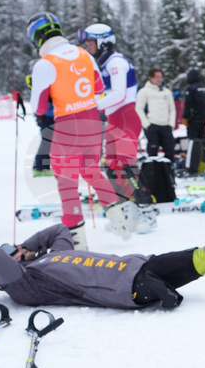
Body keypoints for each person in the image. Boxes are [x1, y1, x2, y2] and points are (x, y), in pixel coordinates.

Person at [0, 223, 205, 308]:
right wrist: (9, 260)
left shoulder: (49, 255)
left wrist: (27, 247)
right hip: (129, 289)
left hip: (141, 264)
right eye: (9, 252)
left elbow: (59, 230)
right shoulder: (27, 287)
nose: (14, 249)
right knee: (175, 289)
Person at [26, 13, 134, 249]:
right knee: (92, 172)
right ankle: (121, 224)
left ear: (37, 38)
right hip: (92, 121)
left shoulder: (45, 64)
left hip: (66, 125)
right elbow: (99, 88)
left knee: (67, 183)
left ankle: (78, 244)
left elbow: (39, 108)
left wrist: (40, 88)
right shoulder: (84, 54)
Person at [80, 23, 156, 232]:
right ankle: (126, 213)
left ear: (103, 42)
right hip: (113, 120)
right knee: (112, 166)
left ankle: (147, 212)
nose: (88, 46)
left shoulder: (116, 63)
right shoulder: (102, 64)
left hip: (126, 118)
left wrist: (92, 106)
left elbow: (119, 94)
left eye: (91, 42)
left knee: (127, 166)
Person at [136, 68, 177, 162]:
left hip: (166, 125)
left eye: (161, 77)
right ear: (150, 77)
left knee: (170, 150)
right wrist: (146, 124)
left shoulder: (167, 92)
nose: (159, 79)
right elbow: (139, 109)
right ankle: (153, 170)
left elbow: (172, 109)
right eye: (157, 77)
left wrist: (171, 123)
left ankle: (169, 170)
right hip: (152, 125)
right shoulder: (144, 92)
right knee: (152, 152)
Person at [183, 67, 205, 141]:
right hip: (203, 117)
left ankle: (195, 149)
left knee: (193, 139)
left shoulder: (191, 88)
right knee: (202, 137)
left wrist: (185, 117)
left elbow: (188, 104)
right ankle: (203, 148)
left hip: (193, 118)